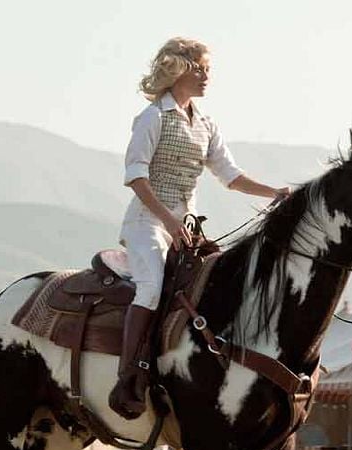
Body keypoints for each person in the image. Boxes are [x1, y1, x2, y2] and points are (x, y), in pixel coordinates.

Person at [109, 37, 290, 419]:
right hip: (148, 223)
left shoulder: (206, 123)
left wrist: (275, 193)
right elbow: (136, 179)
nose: (207, 76)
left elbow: (231, 176)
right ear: (180, 68)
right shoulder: (153, 118)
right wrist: (170, 221)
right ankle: (128, 374)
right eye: (201, 68)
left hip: (186, 226)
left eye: (209, 69)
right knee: (152, 287)